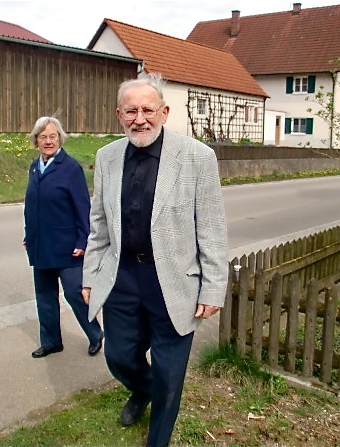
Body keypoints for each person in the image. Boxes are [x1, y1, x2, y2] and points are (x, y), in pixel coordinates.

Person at [82, 72, 228, 447]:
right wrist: (90, 275)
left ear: (164, 111)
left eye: (148, 109)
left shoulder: (197, 157)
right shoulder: (107, 157)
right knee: (118, 356)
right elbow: (98, 224)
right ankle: (142, 389)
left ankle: (157, 438)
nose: (140, 118)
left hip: (175, 281)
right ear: (119, 115)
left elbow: (211, 228)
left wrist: (213, 288)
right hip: (123, 277)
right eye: (131, 111)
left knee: (169, 373)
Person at [24, 116, 103, 358]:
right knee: (45, 296)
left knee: (74, 293)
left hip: (68, 246)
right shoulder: (35, 167)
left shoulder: (70, 168)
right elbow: (32, 206)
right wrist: (29, 235)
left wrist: (83, 241)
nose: (48, 141)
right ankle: (51, 342)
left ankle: (95, 334)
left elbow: (82, 208)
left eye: (52, 136)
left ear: (60, 139)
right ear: (36, 140)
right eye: (43, 137)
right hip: (41, 245)